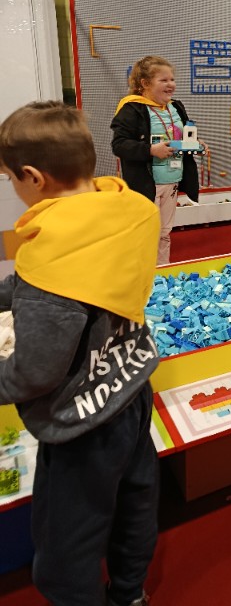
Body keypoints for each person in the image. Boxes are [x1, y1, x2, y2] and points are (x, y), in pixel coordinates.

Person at [0, 101, 161, 606]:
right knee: (135, 504)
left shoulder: (53, 260)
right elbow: (43, 281)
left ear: (33, 177)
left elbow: (32, 374)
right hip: (131, 390)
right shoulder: (123, 213)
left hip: (81, 424)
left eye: (11, 179)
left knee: (67, 543)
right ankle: (130, 594)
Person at [111, 55, 201, 265]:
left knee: (164, 231)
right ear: (145, 84)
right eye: (164, 80)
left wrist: (195, 143)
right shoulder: (132, 108)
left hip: (172, 179)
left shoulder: (176, 106)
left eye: (172, 79)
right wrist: (150, 150)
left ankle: (162, 271)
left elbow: (183, 134)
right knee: (145, 232)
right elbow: (119, 145)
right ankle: (141, 273)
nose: (171, 84)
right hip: (146, 183)